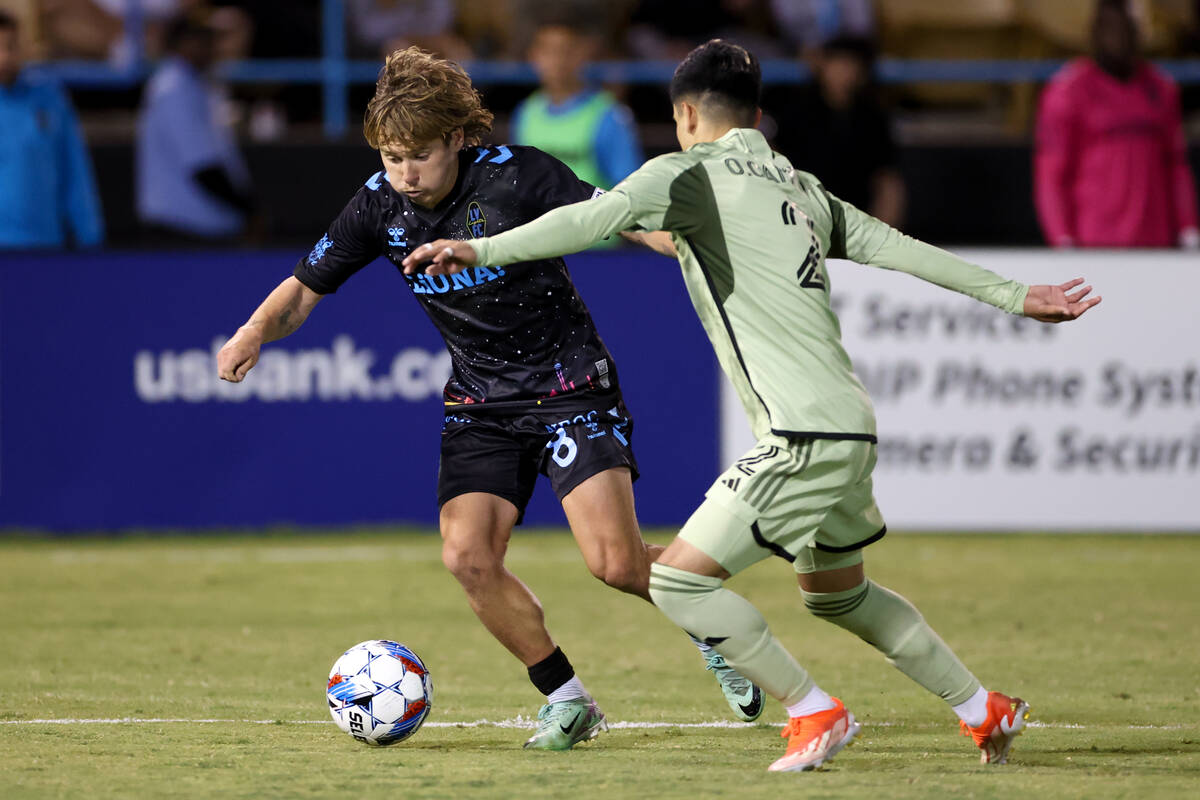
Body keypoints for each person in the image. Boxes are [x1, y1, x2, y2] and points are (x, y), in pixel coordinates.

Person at [403, 39, 1102, 772]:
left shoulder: (686, 173)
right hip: (849, 427)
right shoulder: (801, 187)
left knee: (677, 580)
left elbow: (589, 220)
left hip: (801, 434)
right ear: (758, 117)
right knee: (839, 596)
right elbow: (900, 246)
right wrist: (1017, 295)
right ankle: (979, 708)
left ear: (684, 115)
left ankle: (815, 712)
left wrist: (480, 252)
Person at [215, 46, 761, 751]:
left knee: (615, 565)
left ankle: (713, 626)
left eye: (417, 156)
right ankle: (566, 699)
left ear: (455, 138)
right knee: (467, 556)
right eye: (389, 157)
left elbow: (619, 217)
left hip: (570, 387)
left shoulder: (521, 176)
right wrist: (254, 331)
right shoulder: (378, 206)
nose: (404, 174)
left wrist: (687, 244)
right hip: (481, 403)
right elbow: (304, 287)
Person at [1035, 0, 1199, 249]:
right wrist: (1061, 237)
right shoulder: (1068, 91)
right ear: (1095, 32)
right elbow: (1051, 174)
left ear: (1138, 32)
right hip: (1095, 243)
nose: (1119, 38)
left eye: (1127, 28)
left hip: (1155, 242)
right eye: (1111, 28)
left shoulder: (1161, 88)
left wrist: (1188, 227)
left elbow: (1176, 165)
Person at [136, 11, 253, 241]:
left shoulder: (198, 85)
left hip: (196, 228)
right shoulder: (173, 88)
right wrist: (249, 210)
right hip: (179, 231)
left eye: (208, 39)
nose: (208, 47)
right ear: (180, 44)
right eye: (198, 39)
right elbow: (203, 167)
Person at [770, 34, 904, 227]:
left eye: (850, 65)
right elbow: (775, 166)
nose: (843, 72)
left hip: (857, 224)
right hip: (801, 221)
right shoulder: (795, 112)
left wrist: (879, 234)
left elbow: (888, 182)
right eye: (837, 63)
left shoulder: (873, 119)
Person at [0, 9, 105, 249]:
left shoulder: (49, 98)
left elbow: (75, 171)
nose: (4, 56)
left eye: (10, 46)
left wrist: (91, 237)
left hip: (44, 245)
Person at [512, 18, 643, 192]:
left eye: (565, 50)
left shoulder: (609, 114)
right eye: (548, 51)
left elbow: (631, 188)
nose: (557, 60)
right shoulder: (525, 112)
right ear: (534, 56)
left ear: (582, 54)